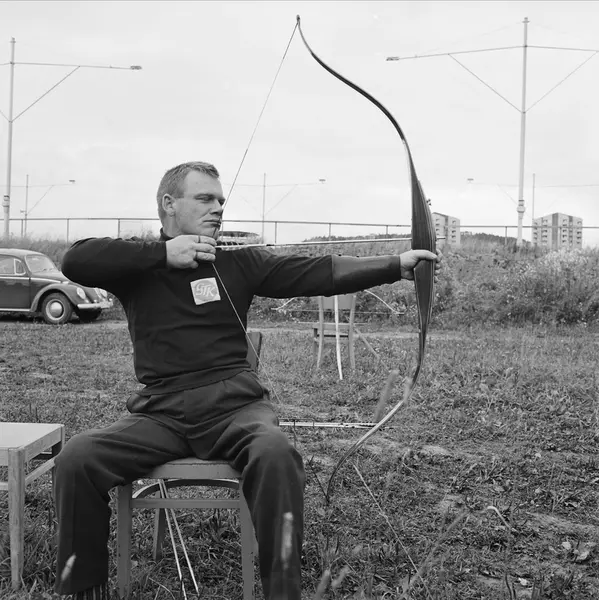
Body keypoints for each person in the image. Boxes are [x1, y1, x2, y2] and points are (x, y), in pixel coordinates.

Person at [54, 161, 442, 600]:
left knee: (275, 453)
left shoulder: (237, 262)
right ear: (169, 204)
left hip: (235, 410)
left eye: (221, 200)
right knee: (77, 458)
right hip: (160, 415)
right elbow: (75, 259)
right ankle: (83, 590)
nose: (218, 208)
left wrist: (395, 264)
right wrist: (163, 255)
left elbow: (317, 271)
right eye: (205, 198)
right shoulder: (137, 264)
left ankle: (283, 592)